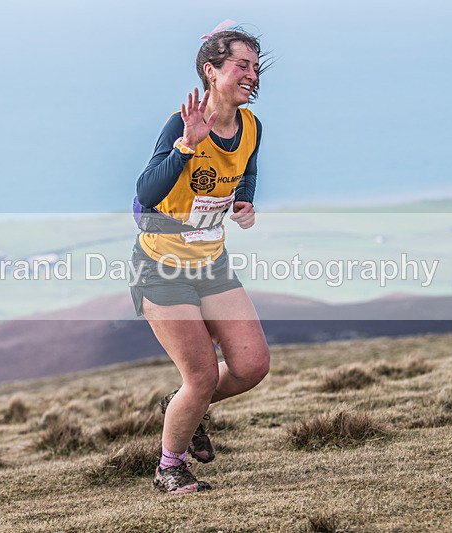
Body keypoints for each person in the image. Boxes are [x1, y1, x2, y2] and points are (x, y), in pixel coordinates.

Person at [130, 22, 271, 494]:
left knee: (252, 366)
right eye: (242, 66)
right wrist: (186, 146)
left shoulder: (251, 125)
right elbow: (147, 191)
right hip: (161, 268)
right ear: (212, 72)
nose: (252, 74)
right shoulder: (182, 123)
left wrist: (245, 202)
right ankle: (169, 468)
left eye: (255, 66)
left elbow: (245, 170)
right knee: (203, 375)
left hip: (212, 264)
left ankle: (185, 404)